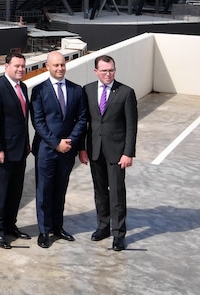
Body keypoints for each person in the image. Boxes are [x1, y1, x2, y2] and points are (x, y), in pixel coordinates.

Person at [80, 54, 138, 252]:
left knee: (117, 194)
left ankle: (119, 234)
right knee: (100, 192)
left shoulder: (126, 92)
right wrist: (82, 148)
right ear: (96, 71)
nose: (108, 74)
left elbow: (131, 126)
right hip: (94, 150)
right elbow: (83, 123)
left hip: (116, 152)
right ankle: (103, 227)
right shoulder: (87, 91)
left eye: (111, 70)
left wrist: (128, 153)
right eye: (104, 70)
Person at [30, 51, 89, 248]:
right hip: (46, 150)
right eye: (55, 65)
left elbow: (82, 119)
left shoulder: (76, 90)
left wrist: (71, 141)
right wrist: (56, 143)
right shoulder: (38, 91)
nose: (59, 68)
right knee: (44, 191)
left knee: (60, 190)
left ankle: (58, 226)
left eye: (62, 65)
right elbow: (38, 122)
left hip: (68, 150)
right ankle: (44, 231)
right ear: (47, 66)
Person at [0, 52, 31, 249]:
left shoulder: (23, 88)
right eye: (16, 66)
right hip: (0, 152)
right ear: (6, 67)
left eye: (22, 66)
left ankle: (11, 225)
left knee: (14, 192)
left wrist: (26, 142)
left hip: (19, 150)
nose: (20, 69)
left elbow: (22, 120)